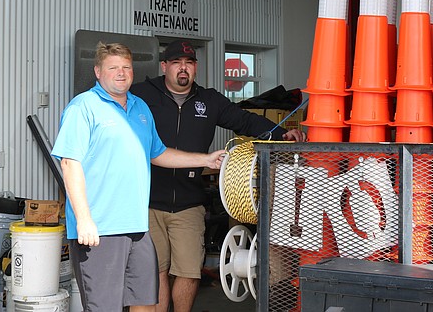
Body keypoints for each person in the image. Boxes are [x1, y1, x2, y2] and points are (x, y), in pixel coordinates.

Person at [130, 39, 306, 312]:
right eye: (176, 63)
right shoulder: (141, 94)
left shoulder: (209, 100)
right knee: (156, 270)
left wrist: (282, 133)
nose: (183, 69)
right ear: (164, 66)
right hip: (148, 200)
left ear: (195, 68)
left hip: (189, 201)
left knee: (189, 271)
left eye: (189, 63)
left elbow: (245, 121)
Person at [51, 42, 226, 312]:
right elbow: (70, 163)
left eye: (126, 67)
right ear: (98, 72)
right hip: (100, 229)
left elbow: (158, 153)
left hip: (137, 227)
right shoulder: (83, 107)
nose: (121, 73)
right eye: (113, 68)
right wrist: (84, 219)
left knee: (145, 302)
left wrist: (204, 159)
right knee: (104, 307)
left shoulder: (140, 108)